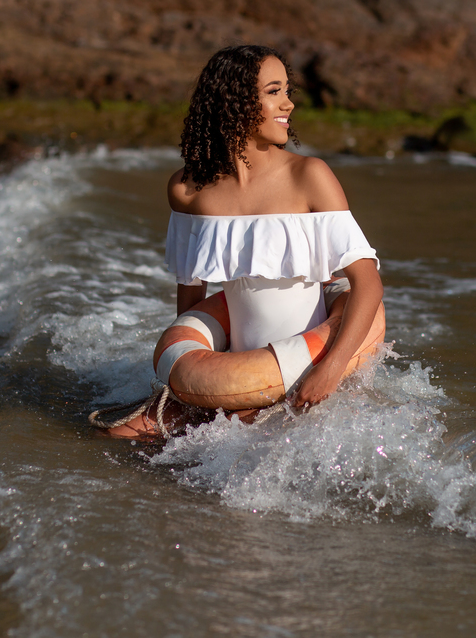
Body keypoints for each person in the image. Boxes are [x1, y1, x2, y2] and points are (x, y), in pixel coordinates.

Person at [104, 45, 384, 438]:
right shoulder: (188, 191)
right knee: (117, 436)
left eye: (287, 91)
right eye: (274, 92)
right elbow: (191, 294)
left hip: (313, 368)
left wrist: (330, 371)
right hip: (236, 375)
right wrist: (190, 380)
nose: (288, 103)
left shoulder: (309, 176)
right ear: (234, 103)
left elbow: (367, 284)